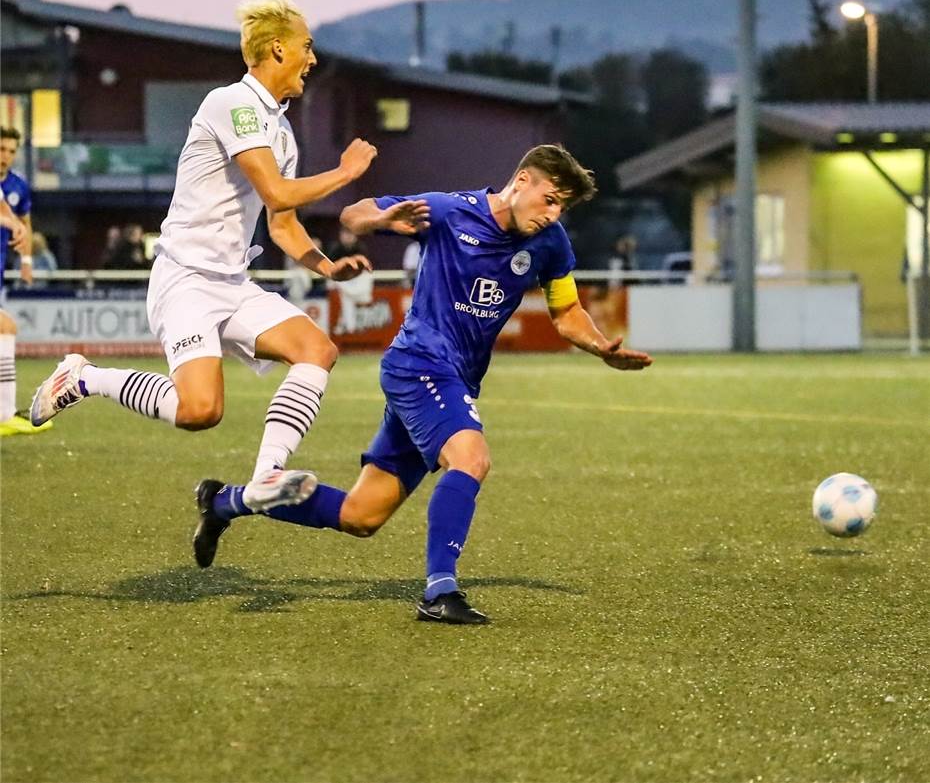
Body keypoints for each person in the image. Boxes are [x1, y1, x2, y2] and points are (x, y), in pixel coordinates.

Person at [195, 144, 653, 624]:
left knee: (361, 515)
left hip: (453, 377)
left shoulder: (552, 242)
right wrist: (380, 221)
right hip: (418, 364)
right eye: (551, 199)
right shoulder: (451, 211)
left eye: (563, 206)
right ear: (522, 182)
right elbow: (355, 214)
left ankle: (227, 501)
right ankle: (440, 591)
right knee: (471, 458)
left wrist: (600, 345)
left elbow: (567, 312)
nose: (553, 213)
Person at [31, 0, 378, 512]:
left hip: (232, 283)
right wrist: (346, 174)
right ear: (278, 49)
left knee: (317, 349)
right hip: (186, 280)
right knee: (200, 411)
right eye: (306, 47)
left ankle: (266, 476)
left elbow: (282, 224)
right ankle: (84, 377)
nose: (313, 59)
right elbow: (277, 193)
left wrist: (327, 266)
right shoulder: (232, 103)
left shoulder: (280, 131)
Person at [0, 126, 50, 437]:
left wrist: (26, 259)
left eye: (10, 151)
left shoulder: (17, 185)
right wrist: (9, 222)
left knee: (5, 327)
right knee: (5, 328)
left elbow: (18, 220)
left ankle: (5, 414)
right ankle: (5, 414)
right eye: (1, 149)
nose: (5, 156)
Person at [328, 226, 373, 334]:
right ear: (340, 236)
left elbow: (365, 267)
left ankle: (348, 327)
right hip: (339, 280)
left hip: (356, 281)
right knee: (345, 295)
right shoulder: (335, 248)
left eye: (350, 234)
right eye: (345, 234)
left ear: (355, 236)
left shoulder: (360, 247)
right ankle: (349, 327)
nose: (348, 237)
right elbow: (329, 269)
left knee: (351, 295)